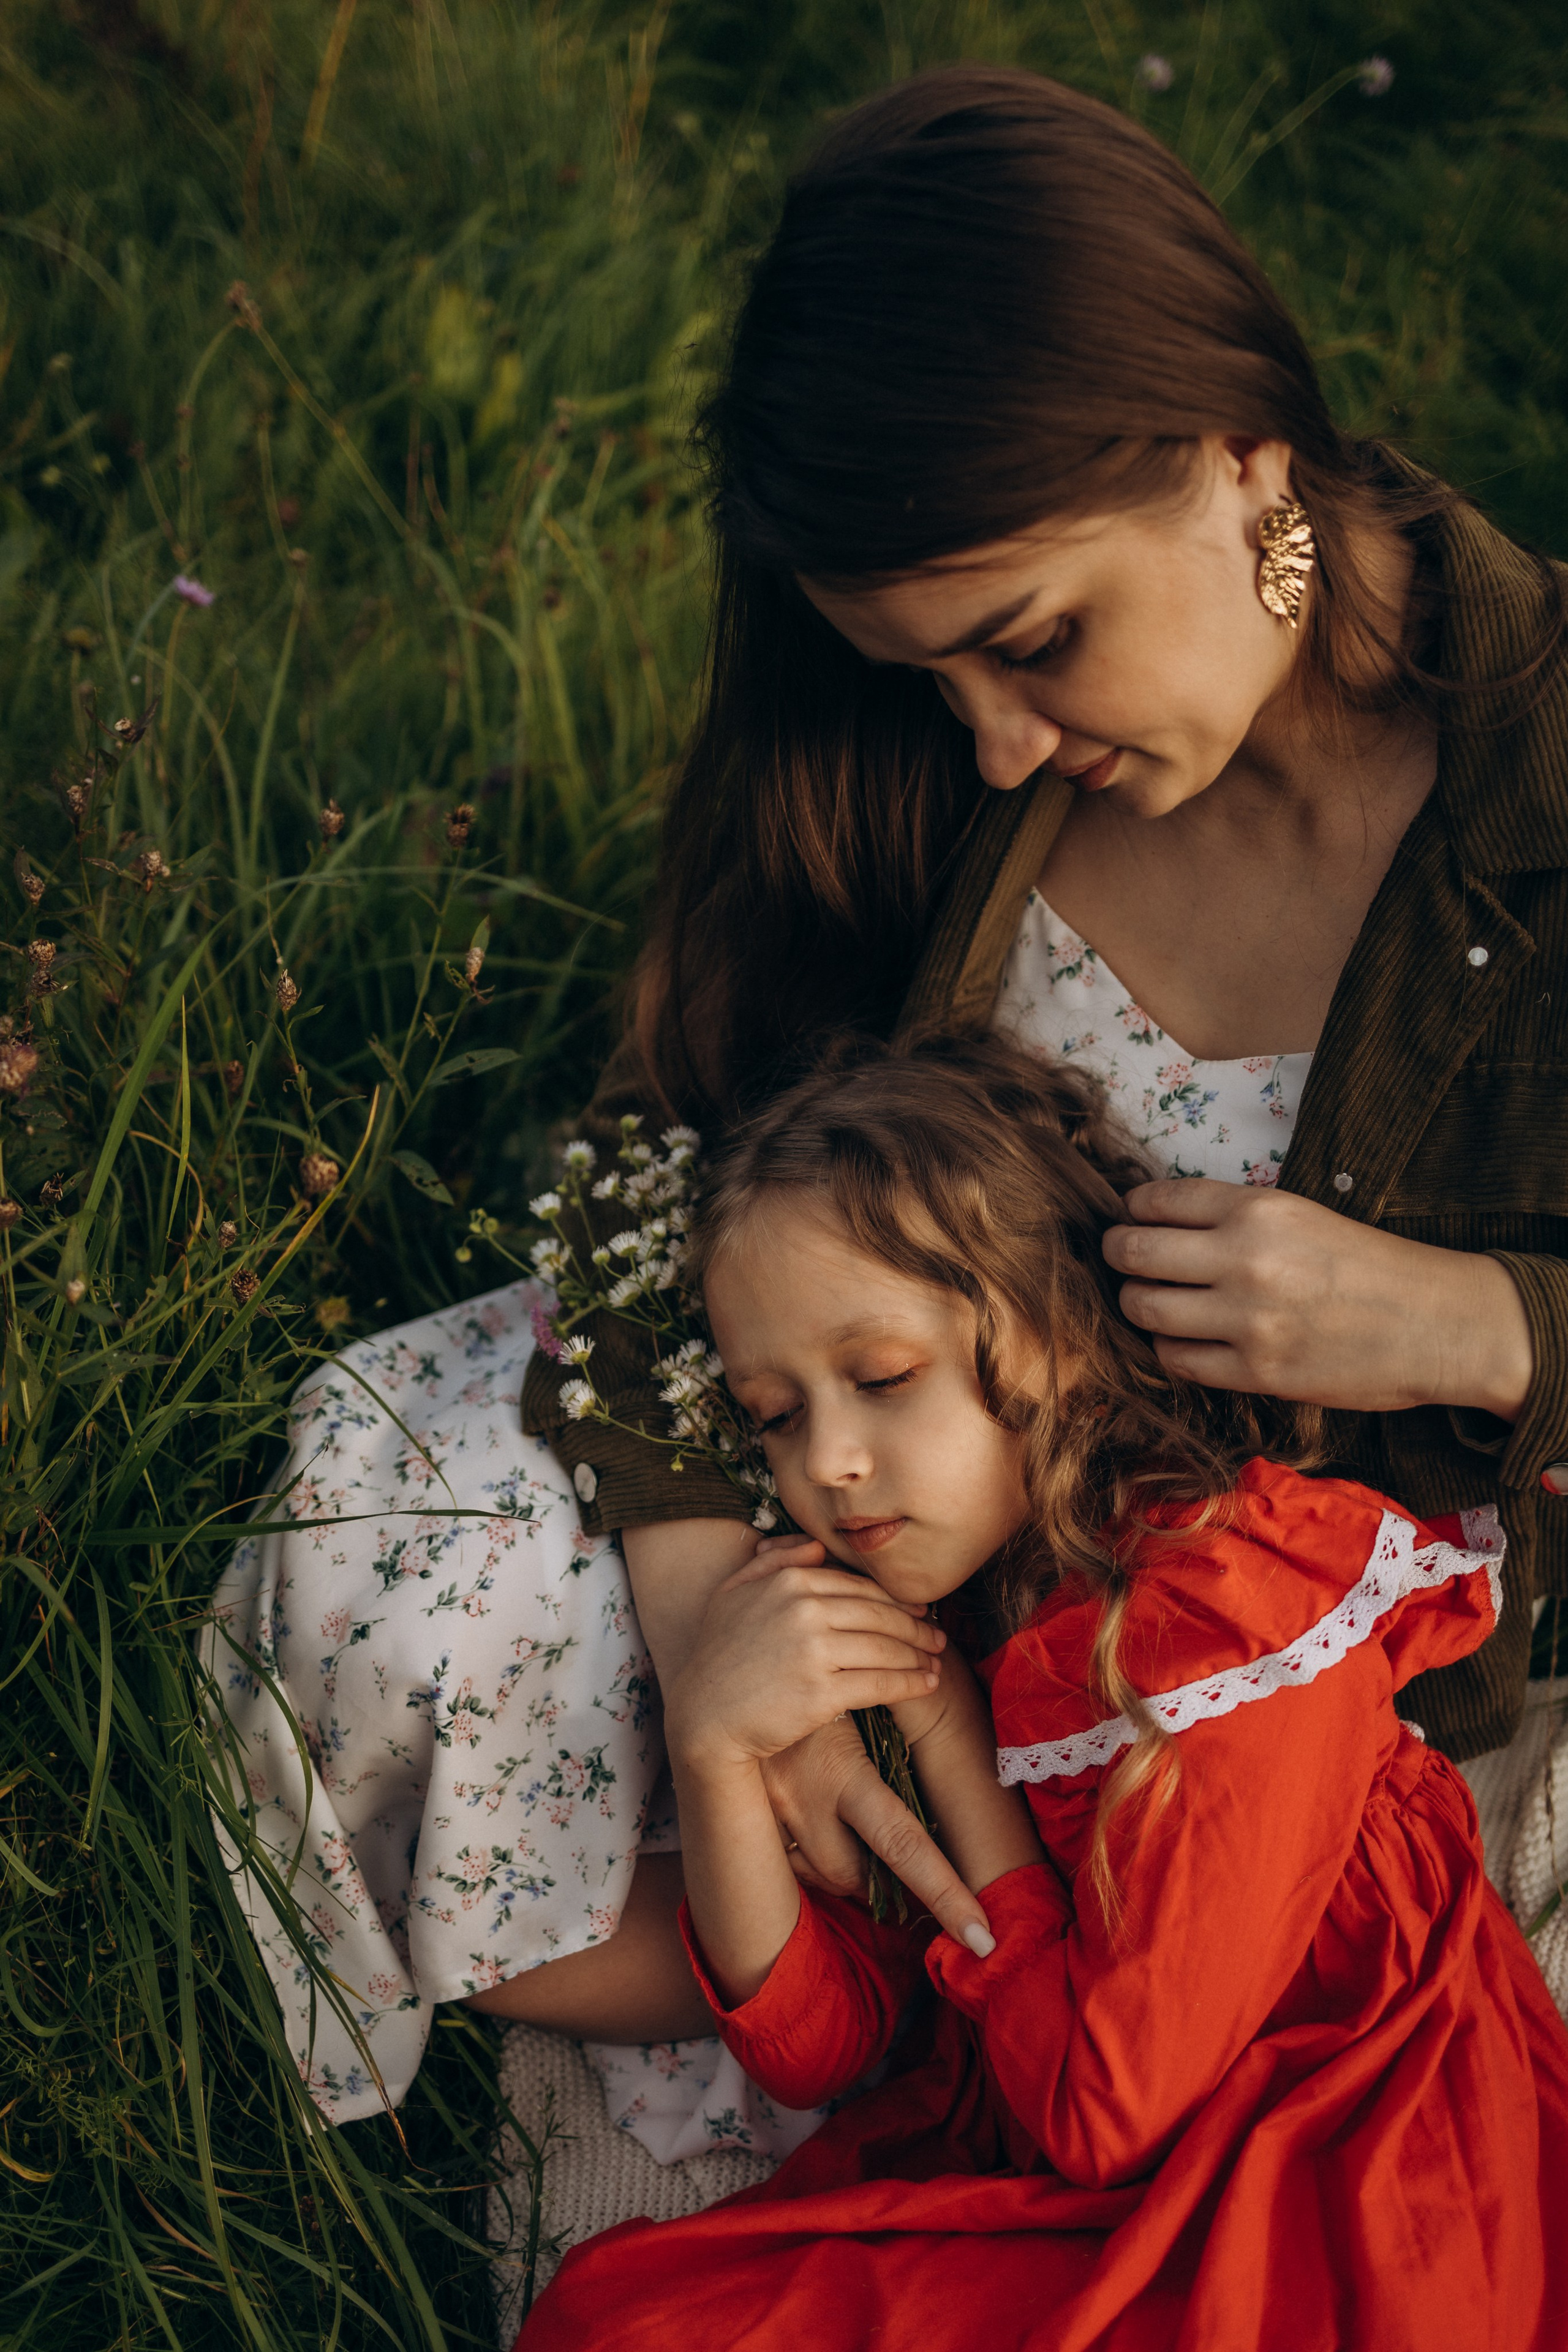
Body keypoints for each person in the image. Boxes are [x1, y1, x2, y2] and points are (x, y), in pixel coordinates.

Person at [208, 62, 1568, 2111]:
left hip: (1332, 1715)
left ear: (1235, 452)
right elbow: (645, 1152)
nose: (996, 746)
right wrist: (705, 1619)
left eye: (1033, 643)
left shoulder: (1538, 779)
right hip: (889, 1547)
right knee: (401, 1498)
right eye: (933, 675)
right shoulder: (910, 746)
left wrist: (1481, 1326)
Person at [519, 1034, 1568, 2352]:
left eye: (883, 1378)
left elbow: (1107, 2106)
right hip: (1080, 2154)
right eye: (774, 1415)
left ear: (1060, 1333)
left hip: (1338, 2178)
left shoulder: (1228, 1612)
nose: (830, 1463)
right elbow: (827, 2049)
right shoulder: (923, 1603)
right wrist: (715, 1745)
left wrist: (957, 1748)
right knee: (622, 2323)